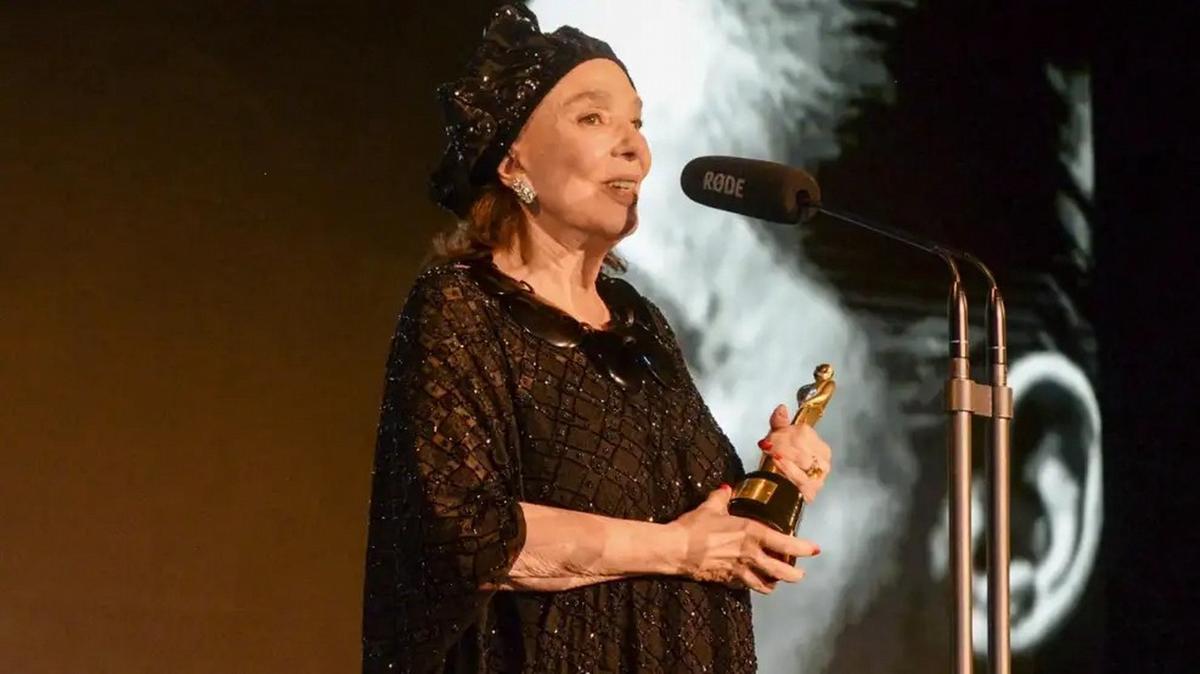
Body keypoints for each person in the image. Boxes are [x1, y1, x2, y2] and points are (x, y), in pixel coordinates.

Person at [360, 6, 834, 673]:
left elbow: (703, 530)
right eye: (593, 118)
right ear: (511, 158)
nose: (634, 147)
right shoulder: (462, 309)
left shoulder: (641, 326)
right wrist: (681, 550)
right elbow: (463, 535)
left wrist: (780, 486)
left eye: (637, 123)